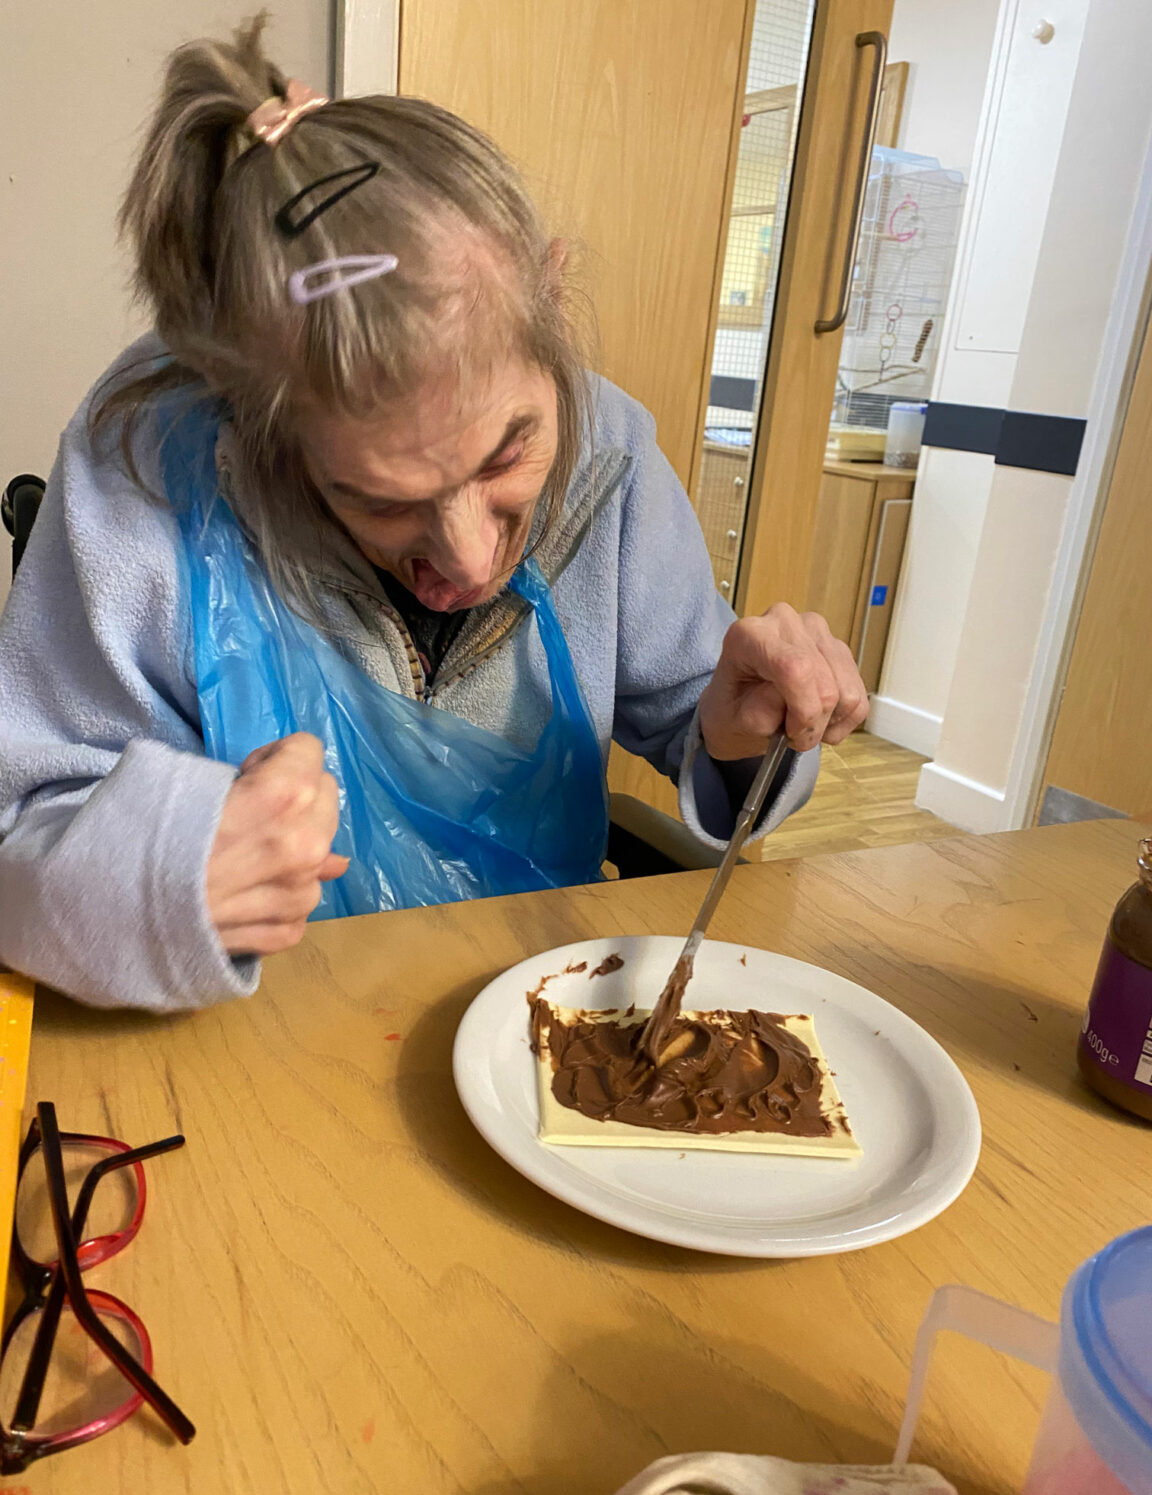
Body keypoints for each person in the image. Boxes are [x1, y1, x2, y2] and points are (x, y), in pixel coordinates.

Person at [0, 20, 868, 1013]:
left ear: (553, 302)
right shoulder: (147, 473)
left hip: (541, 1015)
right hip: (251, 1037)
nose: (468, 558)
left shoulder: (614, 460)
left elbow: (696, 731)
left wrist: (740, 734)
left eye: (508, 456)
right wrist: (161, 875)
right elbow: (18, 838)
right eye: (378, 500)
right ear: (259, 427)